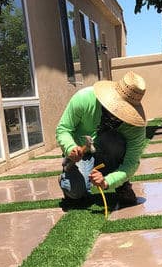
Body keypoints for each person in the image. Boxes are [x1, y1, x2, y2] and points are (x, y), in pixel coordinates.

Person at [56, 71, 147, 205]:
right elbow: (63, 129)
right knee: (74, 191)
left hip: (110, 158)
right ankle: (68, 175)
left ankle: (121, 184)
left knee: (114, 140)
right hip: (81, 157)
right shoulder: (83, 98)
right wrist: (71, 148)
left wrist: (107, 181)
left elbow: (131, 163)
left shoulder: (136, 127)